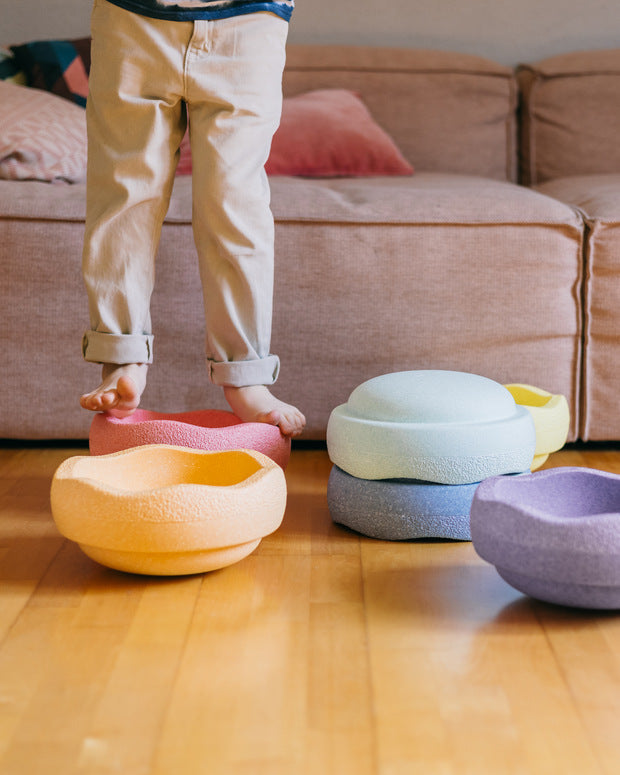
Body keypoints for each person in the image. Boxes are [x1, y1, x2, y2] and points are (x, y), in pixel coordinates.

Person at [79, 0, 306, 437]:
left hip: (249, 24)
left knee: (234, 204)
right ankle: (122, 355)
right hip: (132, 18)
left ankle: (246, 374)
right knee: (124, 195)